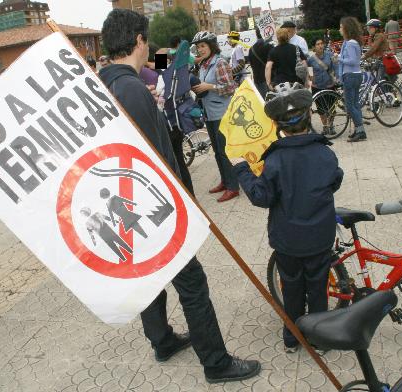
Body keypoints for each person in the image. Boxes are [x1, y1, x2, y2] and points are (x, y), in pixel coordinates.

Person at [99, 10, 260, 382]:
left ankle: (161, 339)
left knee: (150, 278)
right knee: (192, 282)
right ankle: (216, 363)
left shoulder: (108, 83)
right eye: (148, 44)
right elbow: (153, 159)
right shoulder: (131, 87)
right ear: (140, 41)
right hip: (153, 206)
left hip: (129, 207)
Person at [231, 82, 343, 353]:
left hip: (288, 240)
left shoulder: (275, 160)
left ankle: (293, 338)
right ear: (308, 117)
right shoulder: (325, 153)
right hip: (319, 238)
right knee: (318, 288)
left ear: (278, 126)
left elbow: (262, 197)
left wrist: (243, 171)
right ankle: (319, 339)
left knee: (291, 288)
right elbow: (335, 181)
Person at [191, 31, 240, 202]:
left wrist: (209, 87)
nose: (200, 50)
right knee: (217, 151)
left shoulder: (219, 63)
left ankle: (233, 187)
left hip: (221, 114)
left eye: (203, 46)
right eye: (198, 47)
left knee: (224, 151)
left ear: (211, 46)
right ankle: (225, 181)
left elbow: (230, 88)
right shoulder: (204, 65)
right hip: (209, 114)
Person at [339, 17, 366, 142]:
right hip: (357, 74)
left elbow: (353, 61)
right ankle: (359, 130)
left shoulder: (349, 43)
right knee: (355, 104)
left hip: (350, 75)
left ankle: (360, 130)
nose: (339, 29)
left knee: (350, 106)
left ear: (346, 29)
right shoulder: (355, 42)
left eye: (341, 27)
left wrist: (339, 58)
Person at [307, 38, 337, 135]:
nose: (320, 46)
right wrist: (312, 80)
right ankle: (325, 126)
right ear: (314, 47)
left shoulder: (330, 55)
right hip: (317, 87)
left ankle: (331, 125)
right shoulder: (311, 60)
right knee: (321, 109)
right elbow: (309, 72)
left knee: (331, 107)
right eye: (317, 44)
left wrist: (336, 78)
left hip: (330, 85)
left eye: (321, 43)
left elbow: (334, 67)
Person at [248, 27, 272, 98]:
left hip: (257, 79)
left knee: (262, 102)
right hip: (268, 80)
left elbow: (251, 65)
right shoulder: (269, 46)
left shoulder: (251, 49)